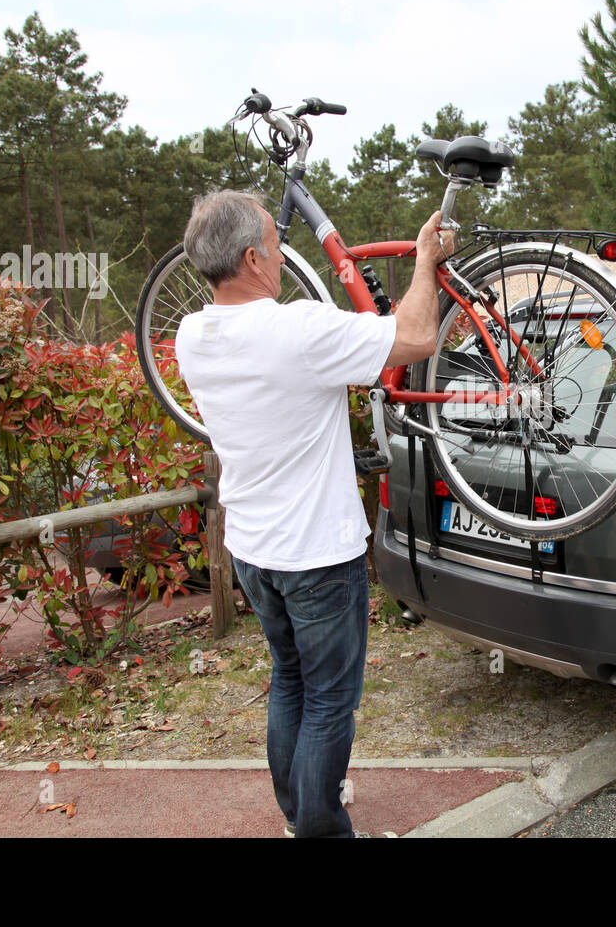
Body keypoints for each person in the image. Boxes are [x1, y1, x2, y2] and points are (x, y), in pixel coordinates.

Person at [174, 190, 452, 837]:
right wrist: (424, 263)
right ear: (251, 258)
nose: (281, 252)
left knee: (291, 680)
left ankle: (300, 815)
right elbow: (413, 337)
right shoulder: (295, 330)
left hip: (252, 549)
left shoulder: (192, 333)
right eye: (274, 242)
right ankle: (321, 829)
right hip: (317, 556)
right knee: (328, 699)